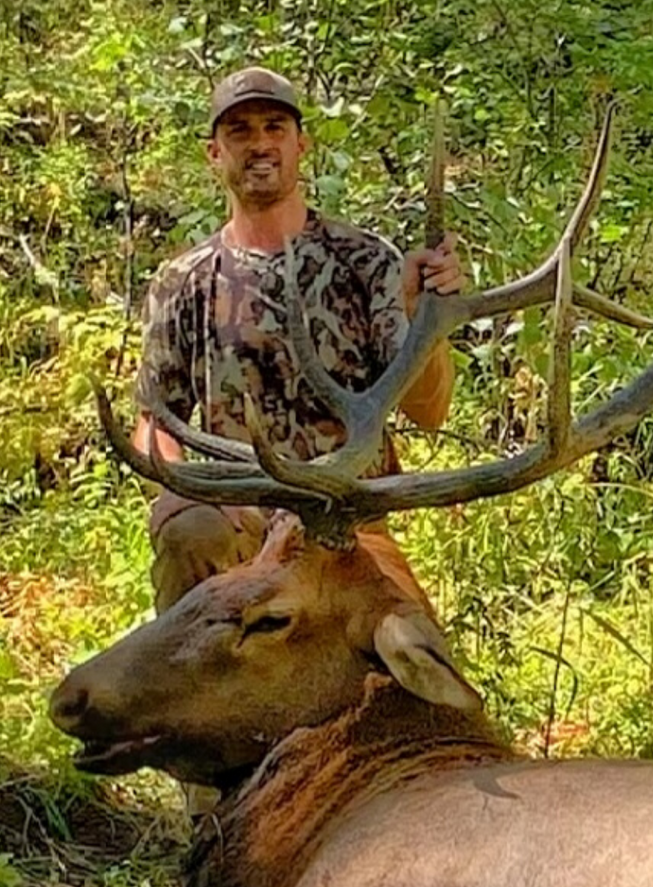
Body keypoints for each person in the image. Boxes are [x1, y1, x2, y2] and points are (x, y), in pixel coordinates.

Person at [134, 66, 463, 612]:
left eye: (274, 128)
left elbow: (429, 413)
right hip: (241, 514)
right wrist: (184, 489)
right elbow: (155, 419)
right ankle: (190, 691)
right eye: (240, 132)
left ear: (300, 144)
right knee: (187, 533)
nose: (259, 144)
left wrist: (422, 319)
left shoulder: (367, 262)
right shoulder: (184, 280)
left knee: (419, 668)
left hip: (345, 519)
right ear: (214, 153)